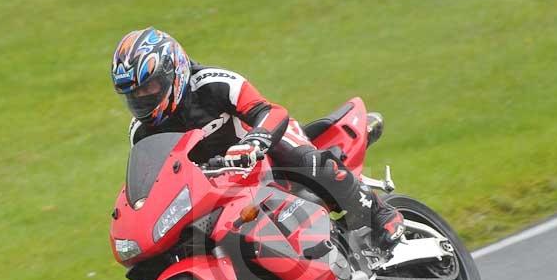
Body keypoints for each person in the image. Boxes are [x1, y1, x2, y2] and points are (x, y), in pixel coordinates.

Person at [111, 27, 404, 248]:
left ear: (173, 71)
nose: (142, 99)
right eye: (133, 94)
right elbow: (154, 181)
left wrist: (256, 141)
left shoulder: (214, 83)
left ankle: (380, 214)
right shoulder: (141, 131)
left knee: (305, 159)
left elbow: (271, 112)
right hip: (218, 185)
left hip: (263, 149)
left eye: (149, 88)